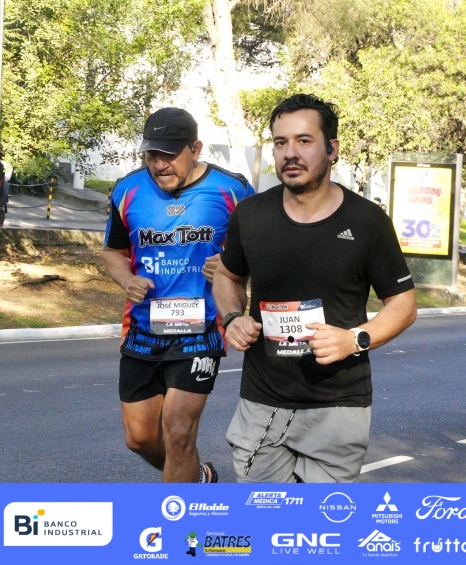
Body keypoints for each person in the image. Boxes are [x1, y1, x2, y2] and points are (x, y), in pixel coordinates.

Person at [212, 93, 417, 483]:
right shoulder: (251, 215)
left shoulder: (367, 221)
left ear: (331, 149)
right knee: (263, 516)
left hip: (338, 407)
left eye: (304, 141)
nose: (291, 153)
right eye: (281, 142)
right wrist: (233, 317)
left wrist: (354, 339)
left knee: (320, 521)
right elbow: (227, 276)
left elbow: (404, 303)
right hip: (262, 403)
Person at [102, 107, 255, 482]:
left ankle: (176, 516)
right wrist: (127, 280)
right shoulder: (127, 190)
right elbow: (113, 252)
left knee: (177, 431)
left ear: (196, 149)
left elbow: (260, 249)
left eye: (169, 155)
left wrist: (230, 266)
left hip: (202, 329)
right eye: (152, 155)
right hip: (143, 329)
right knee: (139, 439)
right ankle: (198, 479)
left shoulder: (232, 190)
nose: (159, 165)